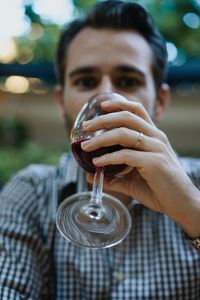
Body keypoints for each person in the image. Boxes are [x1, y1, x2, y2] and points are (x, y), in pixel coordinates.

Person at [1, 0, 200, 299]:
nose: (105, 100)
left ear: (160, 102)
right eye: (86, 81)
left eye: (127, 81)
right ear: (60, 101)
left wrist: (193, 212)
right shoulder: (30, 194)